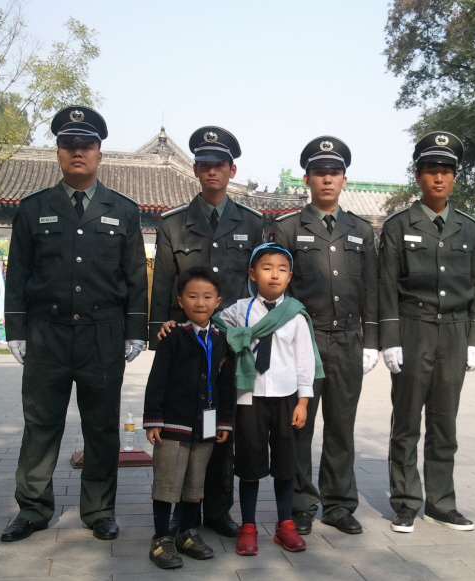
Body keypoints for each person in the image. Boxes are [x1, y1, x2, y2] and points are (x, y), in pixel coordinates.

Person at [2, 106, 148, 542]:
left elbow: (136, 275)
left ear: (100, 153)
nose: (78, 153)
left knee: (101, 426)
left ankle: (99, 508)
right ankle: (32, 509)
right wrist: (16, 330)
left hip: (102, 334)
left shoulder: (122, 211)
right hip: (47, 333)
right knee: (41, 424)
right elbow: (19, 273)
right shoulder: (34, 209)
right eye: (69, 146)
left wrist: (135, 330)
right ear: (59, 153)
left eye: (86, 145)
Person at [150, 126, 263, 538]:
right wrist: (157, 329)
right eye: (205, 164)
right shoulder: (174, 223)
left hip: (229, 344)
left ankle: (217, 509)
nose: (212, 171)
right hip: (185, 343)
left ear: (232, 170)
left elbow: (256, 284)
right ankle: (181, 513)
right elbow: (164, 281)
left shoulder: (251, 223)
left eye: (220, 164)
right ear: (195, 168)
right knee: (184, 426)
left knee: (222, 429)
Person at [378, 131, 475, 534]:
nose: (438, 179)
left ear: (455, 178)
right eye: (430, 171)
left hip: (455, 332)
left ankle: (441, 503)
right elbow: (387, 285)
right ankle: (406, 502)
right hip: (413, 328)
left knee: (445, 423)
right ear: (418, 177)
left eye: (445, 171)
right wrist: (389, 338)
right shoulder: (396, 226)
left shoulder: (469, 228)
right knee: (406, 420)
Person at [271, 136, 378, 535]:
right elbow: (274, 288)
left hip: (349, 338)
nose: (327, 180)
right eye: (320, 173)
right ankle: (301, 501)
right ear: (307, 178)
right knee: (300, 424)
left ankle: (339, 503)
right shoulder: (286, 228)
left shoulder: (362, 231)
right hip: (305, 340)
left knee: (341, 424)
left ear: (344, 179)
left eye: (334, 173)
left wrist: (372, 342)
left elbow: (371, 289)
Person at [214, 243, 323, 556]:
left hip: (287, 399)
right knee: (249, 463)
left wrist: (304, 401)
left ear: (289, 277)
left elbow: (305, 362)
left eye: (282, 269)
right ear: (252, 273)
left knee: (286, 464)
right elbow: (213, 322)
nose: (274, 275)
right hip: (249, 397)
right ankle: (248, 525)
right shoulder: (240, 310)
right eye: (266, 268)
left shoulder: (295, 315)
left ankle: (284, 523)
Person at [143, 267, 235, 569]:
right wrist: (154, 418)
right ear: (180, 301)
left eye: (207, 297)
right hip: (174, 424)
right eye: (192, 296)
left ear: (218, 301)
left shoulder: (221, 340)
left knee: (195, 483)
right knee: (168, 482)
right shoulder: (173, 337)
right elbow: (157, 380)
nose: (200, 302)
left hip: (207, 424)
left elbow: (225, 385)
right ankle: (161, 538)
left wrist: (223, 422)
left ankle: (186, 532)